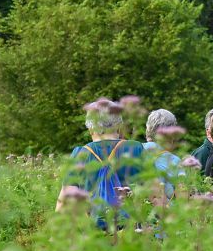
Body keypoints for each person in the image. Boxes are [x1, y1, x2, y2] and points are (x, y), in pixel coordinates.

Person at [55, 98, 146, 230]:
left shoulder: (81, 154)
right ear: (118, 126)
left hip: (94, 235)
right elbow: (154, 191)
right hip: (132, 233)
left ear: (91, 128)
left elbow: (65, 199)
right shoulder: (135, 148)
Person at [143, 108, 186, 201]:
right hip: (165, 213)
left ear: (148, 128)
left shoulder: (135, 150)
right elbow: (182, 199)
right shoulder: (175, 161)